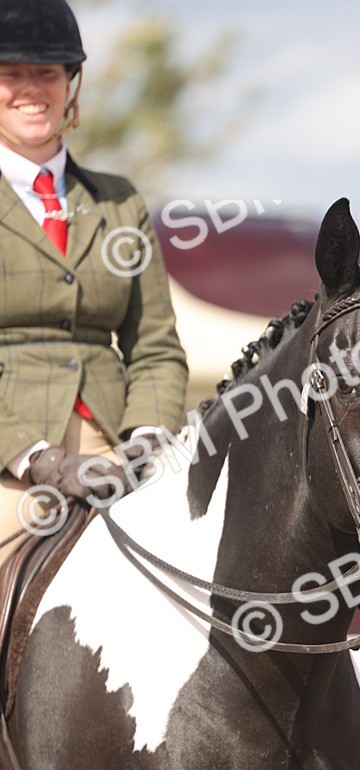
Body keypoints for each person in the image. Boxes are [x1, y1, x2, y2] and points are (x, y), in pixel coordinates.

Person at [0, 0, 187, 553]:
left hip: (114, 444)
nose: (31, 89)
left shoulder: (119, 200)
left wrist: (144, 441)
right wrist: (38, 458)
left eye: (46, 73)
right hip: (11, 454)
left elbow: (155, 346)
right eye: (11, 73)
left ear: (70, 83)